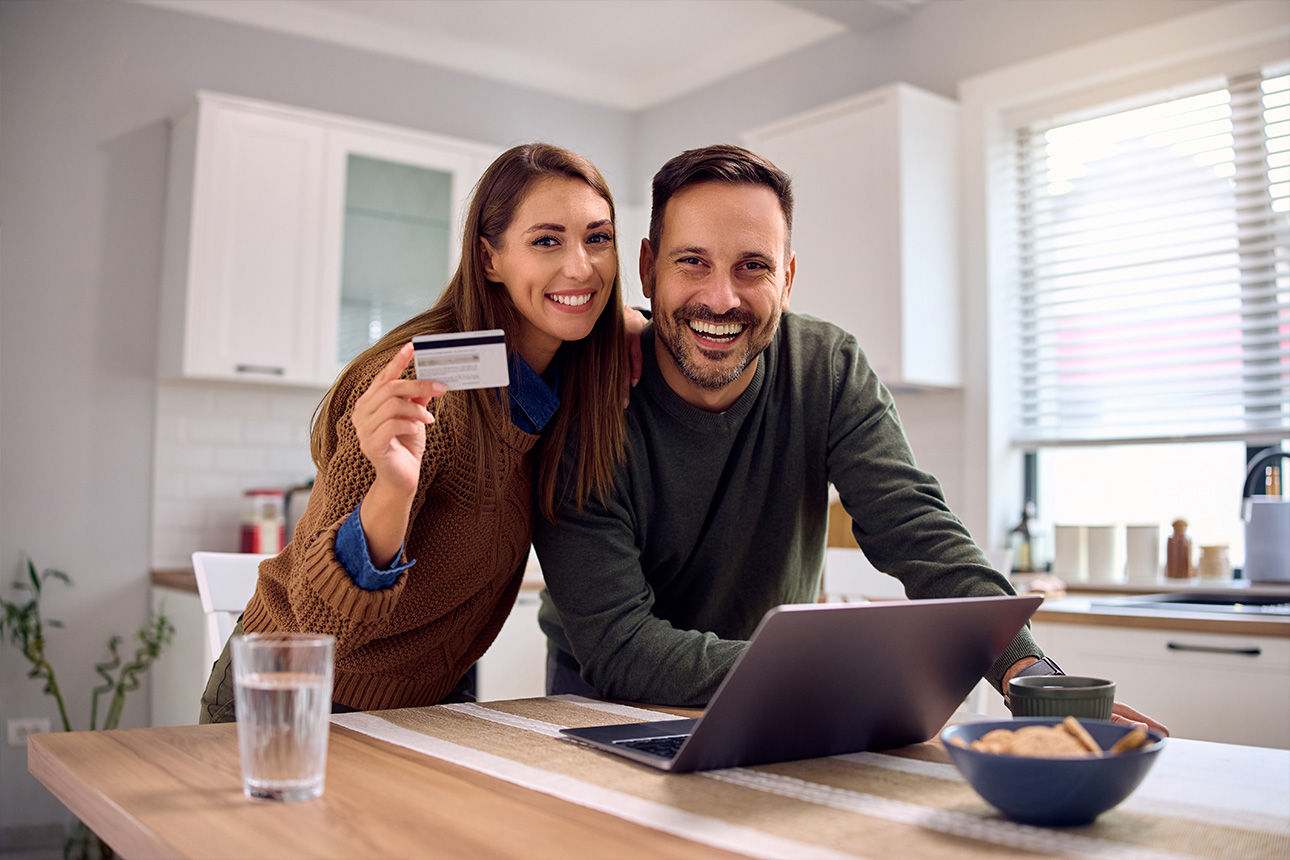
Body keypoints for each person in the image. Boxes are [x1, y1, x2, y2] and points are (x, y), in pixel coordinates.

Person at [533, 144, 1167, 734]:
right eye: (692, 261)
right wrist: (829, 669)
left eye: (753, 266)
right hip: (604, 696)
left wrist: (1027, 674)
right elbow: (620, 644)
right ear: (647, 268)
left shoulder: (827, 368)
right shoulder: (587, 397)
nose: (720, 298)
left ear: (787, 277)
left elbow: (915, 529)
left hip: (779, 688)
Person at [200, 142, 630, 722]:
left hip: (424, 705)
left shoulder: (567, 381)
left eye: (597, 238)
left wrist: (635, 327)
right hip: (293, 698)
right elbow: (317, 628)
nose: (581, 266)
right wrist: (392, 490)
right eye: (546, 240)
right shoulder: (421, 385)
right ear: (489, 259)